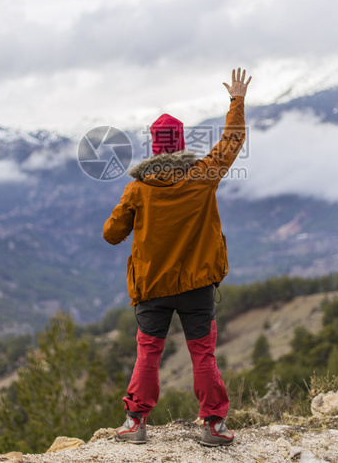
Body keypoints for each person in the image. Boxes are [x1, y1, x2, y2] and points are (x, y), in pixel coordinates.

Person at [103, 68, 251, 447]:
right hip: (198, 284)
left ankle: (136, 423)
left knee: (148, 354)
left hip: (152, 286)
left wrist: (131, 213)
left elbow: (111, 234)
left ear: (154, 147)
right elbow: (231, 142)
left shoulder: (137, 189)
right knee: (203, 353)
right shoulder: (203, 175)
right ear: (182, 144)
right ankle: (213, 425)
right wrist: (236, 101)